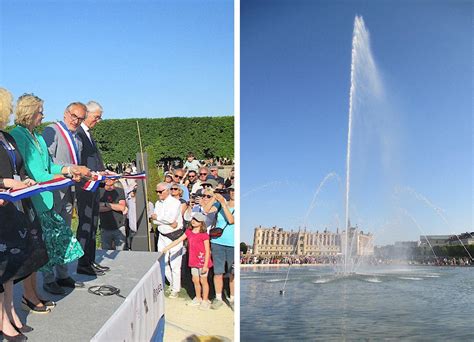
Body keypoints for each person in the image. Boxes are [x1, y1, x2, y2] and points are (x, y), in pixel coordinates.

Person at [10, 93, 85, 313]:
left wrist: (70, 169)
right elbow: (36, 173)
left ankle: (32, 294)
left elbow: (50, 167)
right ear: (30, 112)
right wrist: (69, 176)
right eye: (40, 111)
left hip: (44, 201)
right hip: (31, 202)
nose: (43, 115)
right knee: (34, 252)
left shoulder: (38, 137)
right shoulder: (18, 135)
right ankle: (29, 295)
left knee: (38, 251)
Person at [0, 88, 49, 340]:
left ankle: (10, 312)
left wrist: (26, 180)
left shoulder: (6, 137)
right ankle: (3, 320)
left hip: (13, 208)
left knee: (9, 266)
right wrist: (7, 182)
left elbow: (18, 168)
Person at [41, 102, 90, 294]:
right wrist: (71, 170)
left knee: (64, 235)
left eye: (80, 118)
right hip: (52, 194)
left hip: (69, 192)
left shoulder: (77, 138)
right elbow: (47, 162)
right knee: (50, 236)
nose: (76, 121)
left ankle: (62, 274)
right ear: (65, 113)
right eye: (73, 116)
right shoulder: (51, 131)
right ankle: (48, 278)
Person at [75, 101, 109, 276]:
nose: (99, 120)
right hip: (85, 186)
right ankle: (82, 263)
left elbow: (95, 159)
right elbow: (80, 162)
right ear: (87, 114)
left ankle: (90, 260)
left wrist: (103, 174)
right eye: (97, 117)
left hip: (94, 184)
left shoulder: (88, 134)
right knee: (85, 224)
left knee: (93, 224)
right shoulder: (78, 134)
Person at [161, 212, 213, 310]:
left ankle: (205, 300)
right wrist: (167, 248)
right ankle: (198, 298)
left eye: (196, 220)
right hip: (193, 260)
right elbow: (178, 240)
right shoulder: (188, 232)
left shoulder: (204, 235)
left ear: (201, 223)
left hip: (202, 261)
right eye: (193, 219)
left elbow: (207, 250)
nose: (193, 221)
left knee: (203, 281)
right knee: (195, 280)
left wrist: (206, 265)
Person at [203, 187, 234, 309]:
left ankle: (233, 298)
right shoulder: (219, 204)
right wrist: (214, 197)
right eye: (231, 190)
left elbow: (231, 220)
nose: (233, 192)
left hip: (232, 244)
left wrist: (223, 204)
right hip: (217, 242)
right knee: (218, 272)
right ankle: (218, 297)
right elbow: (205, 210)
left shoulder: (228, 205)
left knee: (233, 273)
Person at [151, 182, 183, 298]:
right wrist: (163, 220)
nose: (158, 194)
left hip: (174, 236)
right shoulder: (158, 203)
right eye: (157, 191)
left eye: (160, 191)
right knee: (163, 261)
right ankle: (172, 283)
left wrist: (159, 218)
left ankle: (176, 288)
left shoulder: (175, 203)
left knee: (175, 263)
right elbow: (155, 220)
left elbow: (170, 218)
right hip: (162, 234)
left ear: (167, 191)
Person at [98, 179, 127, 250]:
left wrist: (106, 204)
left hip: (119, 227)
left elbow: (122, 207)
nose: (110, 187)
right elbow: (98, 209)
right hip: (105, 227)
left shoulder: (119, 191)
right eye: (108, 185)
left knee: (121, 251)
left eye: (112, 185)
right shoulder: (99, 192)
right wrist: (115, 206)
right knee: (105, 251)